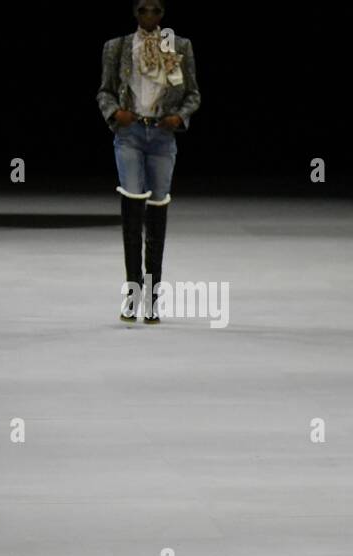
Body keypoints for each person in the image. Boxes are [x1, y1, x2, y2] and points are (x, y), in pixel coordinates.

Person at [96, 0, 200, 324]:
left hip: (161, 135)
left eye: (155, 10)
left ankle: (152, 297)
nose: (150, 16)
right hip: (130, 132)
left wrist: (178, 118)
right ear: (135, 13)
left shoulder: (178, 46)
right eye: (144, 10)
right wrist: (115, 113)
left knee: (157, 209)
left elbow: (192, 94)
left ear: (163, 14)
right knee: (132, 205)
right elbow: (105, 92)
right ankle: (132, 294)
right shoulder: (117, 47)